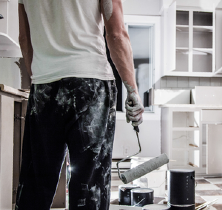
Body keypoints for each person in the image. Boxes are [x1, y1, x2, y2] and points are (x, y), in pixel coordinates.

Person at [15, 0, 144, 209]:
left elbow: (24, 39)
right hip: (90, 82)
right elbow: (116, 34)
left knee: (36, 182)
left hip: (44, 86)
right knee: (90, 185)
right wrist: (133, 91)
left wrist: (42, 76)